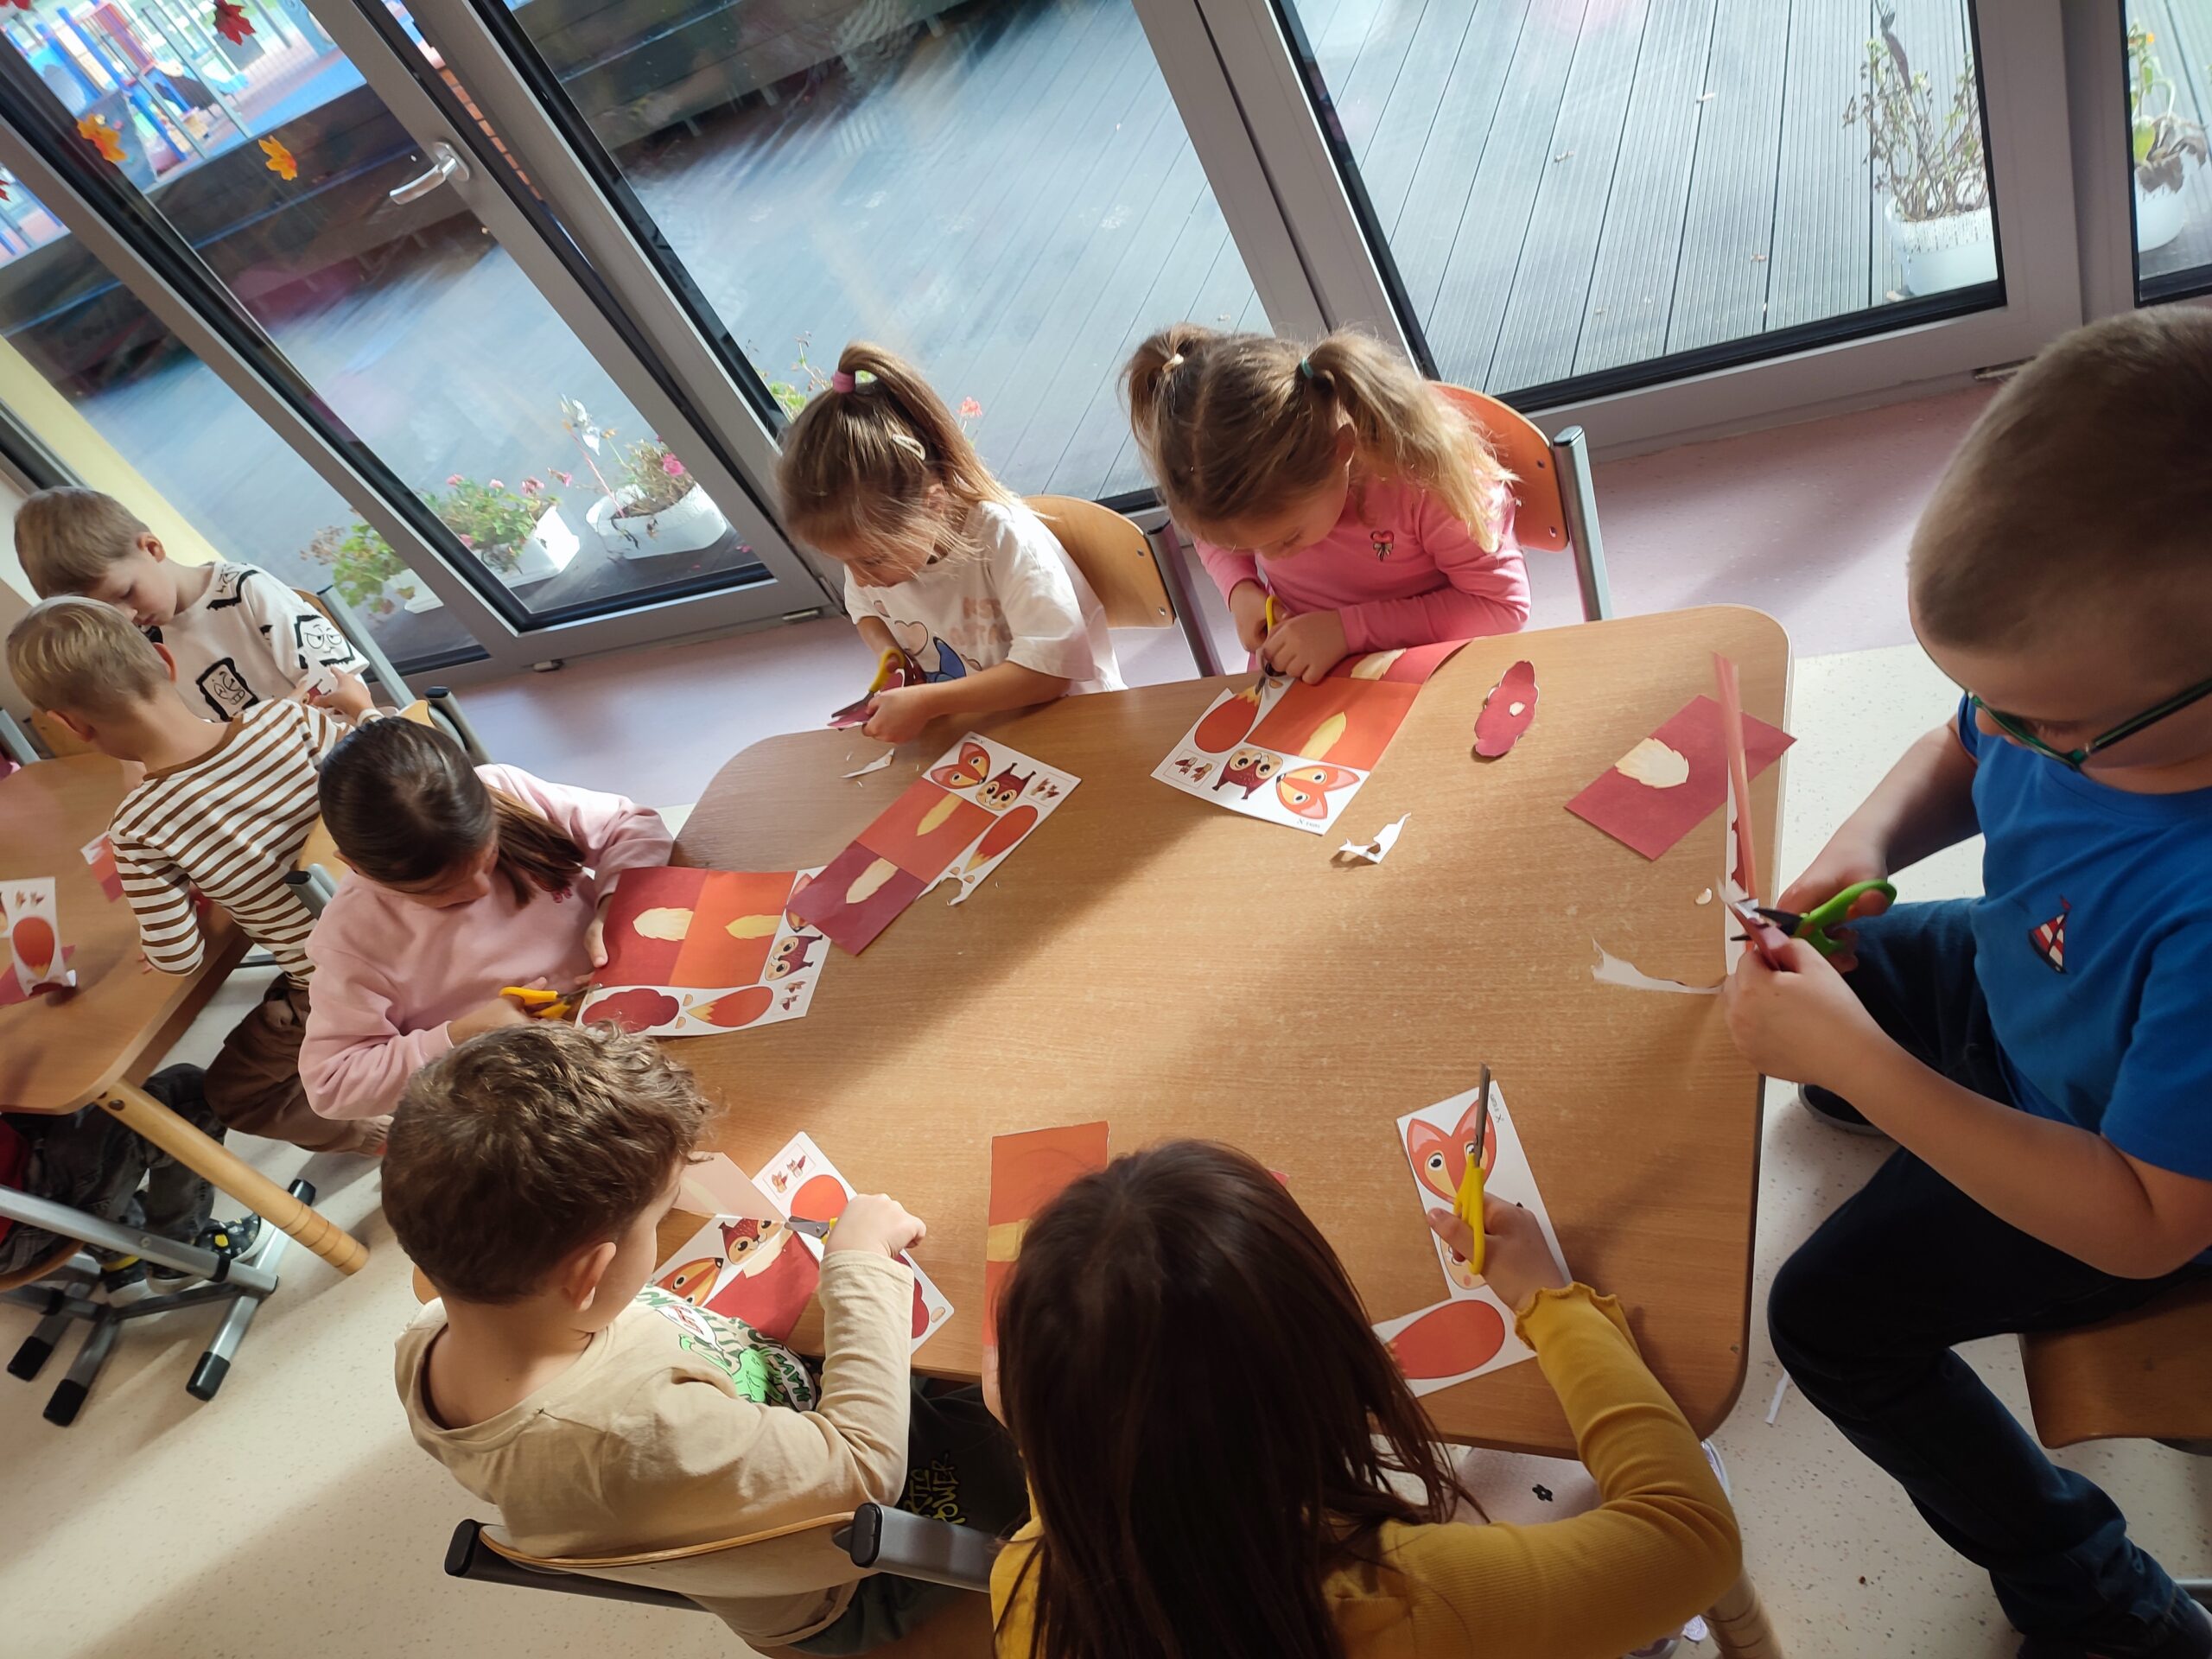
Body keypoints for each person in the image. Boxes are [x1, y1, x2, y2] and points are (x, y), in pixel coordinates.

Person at [1725, 309, 2212, 1659]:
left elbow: (2142, 1223)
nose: (2005, 735)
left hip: (2109, 1168)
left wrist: (1867, 1067)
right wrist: (1861, 848)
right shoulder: (2090, 688)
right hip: (2025, 988)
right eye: (1986, 700)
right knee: (1863, 972)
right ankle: (1886, 1075)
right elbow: (1958, 749)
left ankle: (2098, 1597)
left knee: (1826, 1320)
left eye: (2046, 723)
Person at [390, 1021, 1024, 1653]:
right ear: (588, 1275)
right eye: (658, 1216)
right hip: (863, 1567)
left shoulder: (440, 1332)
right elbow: (863, 1477)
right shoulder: (639, 1433)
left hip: (783, 1449)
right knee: (1051, 1385)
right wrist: (858, 1263)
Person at [988, 1141, 1739, 1659]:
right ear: (1329, 1383)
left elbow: (1113, 1477)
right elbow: (1692, 1537)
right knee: (1655, 1467)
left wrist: (1049, 1411)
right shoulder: (1409, 1601)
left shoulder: (1023, 1590)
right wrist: (1553, 1302)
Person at [4, 597, 383, 1155]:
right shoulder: (287, 719)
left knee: (236, 1095)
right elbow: (384, 787)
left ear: (68, 725)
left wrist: (167, 926)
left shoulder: (137, 828)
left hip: (339, 984)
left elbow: (178, 956)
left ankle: (374, 1133)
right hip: (411, 921)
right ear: (166, 661)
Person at [299, 718, 672, 1122]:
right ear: (355, 867)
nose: (479, 890)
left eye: (489, 859)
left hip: (641, 1003)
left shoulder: (507, 790)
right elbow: (332, 1085)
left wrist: (614, 905)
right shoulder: (353, 939)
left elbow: (631, 824)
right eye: (441, 891)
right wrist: (462, 1035)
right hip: (549, 1091)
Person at [1123, 326, 1527, 683]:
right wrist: (1240, 588)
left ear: (1341, 450)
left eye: (1288, 537)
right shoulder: (1231, 494)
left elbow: (1502, 606)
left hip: (1428, 673)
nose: (1268, 557)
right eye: (1244, 544)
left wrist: (1347, 631)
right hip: (1312, 679)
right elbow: (1214, 533)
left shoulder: (1421, 477)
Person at [777, 341, 1122, 745]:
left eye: (871, 560)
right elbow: (865, 610)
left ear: (933, 504)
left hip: (1078, 723)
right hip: (985, 732)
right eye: (844, 562)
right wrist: (890, 655)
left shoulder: (1004, 539)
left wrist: (927, 702)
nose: (861, 578)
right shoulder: (875, 558)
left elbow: (1051, 674)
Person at [13, 486, 367, 722]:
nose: (127, 617)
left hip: (341, 761)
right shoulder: (139, 642)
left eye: (125, 592)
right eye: (106, 613)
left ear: (152, 548)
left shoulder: (245, 590)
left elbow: (341, 689)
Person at [0, 1065, 258, 1301]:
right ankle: (179, 1253)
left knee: (50, 1086)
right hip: (26, 1215)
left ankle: (122, 1257)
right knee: (188, 1094)